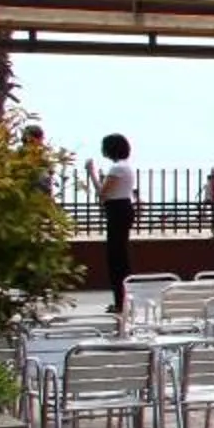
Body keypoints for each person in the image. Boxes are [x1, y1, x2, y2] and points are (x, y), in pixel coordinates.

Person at [88, 132, 137, 314]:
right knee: (119, 257)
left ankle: (120, 302)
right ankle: (122, 301)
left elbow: (102, 194)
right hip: (122, 209)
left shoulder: (117, 168)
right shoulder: (125, 167)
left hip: (117, 211)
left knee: (116, 259)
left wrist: (91, 173)